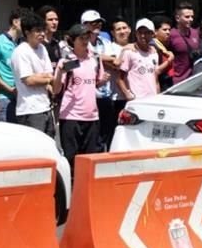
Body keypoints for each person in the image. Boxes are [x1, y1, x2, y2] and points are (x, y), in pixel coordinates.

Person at [54, 24, 108, 171]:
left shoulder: (95, 59)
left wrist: (103, 80)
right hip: (71, 116)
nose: (85, 41)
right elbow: (56, 89)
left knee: (89, 158)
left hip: (91, 116)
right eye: (81, 38)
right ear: (72, 40)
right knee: (71, 157)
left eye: (87, 37)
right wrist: (59, 72)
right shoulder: (68, 62)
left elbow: (95, 83)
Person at [10, 12, 55, 137]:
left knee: (49, 144)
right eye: (37, 31)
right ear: (27, 32)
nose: (41, 34)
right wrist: (46, 79)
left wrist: (42, 77)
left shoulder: (42, 48)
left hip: (46, 107)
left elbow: (49, 73)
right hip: (29, 110)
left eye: (42, 30)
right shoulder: (21, 51)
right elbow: (29, 80)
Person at [81, 9, 117, 148]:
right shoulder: (81, 42)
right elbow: (86, 56)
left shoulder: (105, 41)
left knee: (105, 133)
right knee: (91, 134)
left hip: (106, 93)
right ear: (84, 25)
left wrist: (99, 57)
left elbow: (114, 61)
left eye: (99, 23)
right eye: (93, 23)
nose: (97, 26)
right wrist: (100, 57)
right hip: (88, 94)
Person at [0, 8, 23, 122]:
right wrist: (10, 89)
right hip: (4, 99)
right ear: (15, 22)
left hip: (21, 99)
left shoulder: (23, 44)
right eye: (25, 21)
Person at [118, 19, 163, 101]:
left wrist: (158, 96)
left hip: (152, 99)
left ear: (152, 34)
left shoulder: (154, 53)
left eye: (146, 33)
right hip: (137, 100)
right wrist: (127, 94)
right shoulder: (129, 52)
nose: (142, 36)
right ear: (136, 34)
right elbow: (120, 78)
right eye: (140, 33)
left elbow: (155, 79)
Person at [167, 2, 201, 84]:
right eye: (187, 17)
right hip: (178, 81)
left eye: (192, 17)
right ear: (177, 18)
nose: (191, 19)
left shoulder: (195, 33)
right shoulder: (171, 35)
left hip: (194, 79)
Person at [151, 15, 175, 90]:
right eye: (164, 30)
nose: (168, 32)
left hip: (167, 82)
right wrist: (170, 59)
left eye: (169, 30)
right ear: (155, 32)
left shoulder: (163, 46)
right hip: (160, 84)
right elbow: (156, 70)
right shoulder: (153, 47)